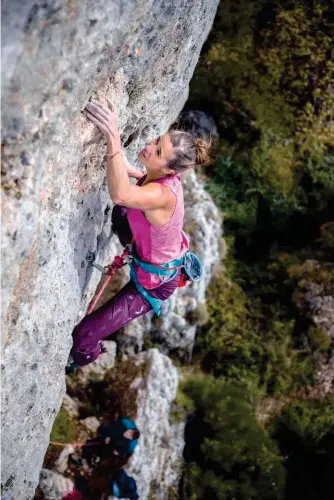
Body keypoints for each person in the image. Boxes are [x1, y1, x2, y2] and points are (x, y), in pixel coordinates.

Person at [69, 99, 210, 368]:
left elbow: (121, 193)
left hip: (154, 284)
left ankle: (81, 360)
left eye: (157, 150)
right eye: (157, 140)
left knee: (83, 335)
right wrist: (119, 156)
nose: (148, 146)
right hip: (151, 254)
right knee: (121, 215)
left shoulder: (161, 193)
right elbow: (136, 176)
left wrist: (113, 136)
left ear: (169, 168)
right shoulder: (163, 176)